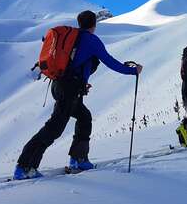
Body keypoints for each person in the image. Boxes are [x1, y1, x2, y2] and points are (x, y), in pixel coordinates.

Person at [13, 10, 143, 180]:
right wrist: (132, 71)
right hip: (69, 89)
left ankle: (78, 159)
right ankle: (25, 166)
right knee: (54, 128)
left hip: (59, 85)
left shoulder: (74, 38)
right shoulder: (91, 40)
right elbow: (109, 61)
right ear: (94, 24)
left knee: (84, 117)